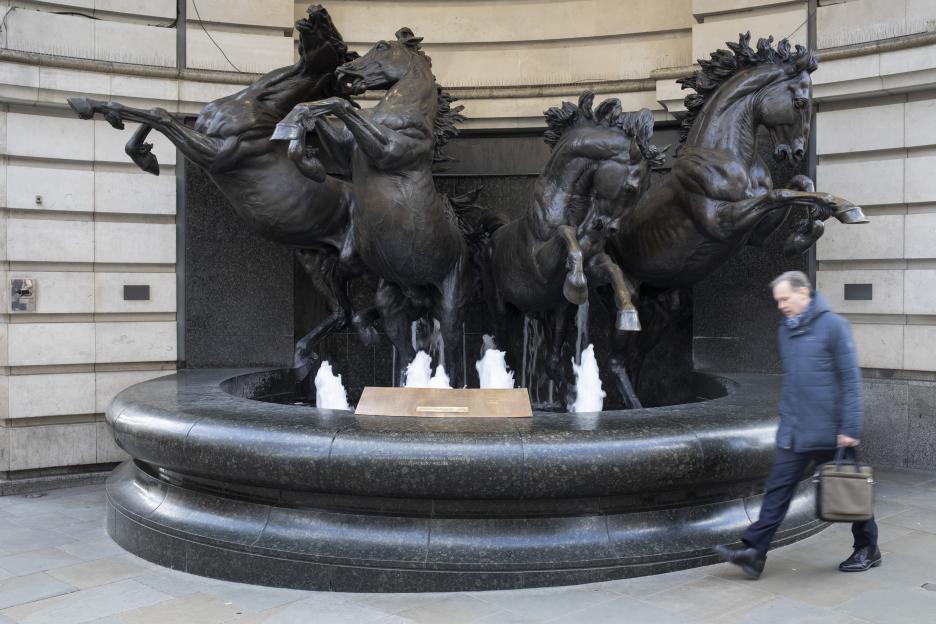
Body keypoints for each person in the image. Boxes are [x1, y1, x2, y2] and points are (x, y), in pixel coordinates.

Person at [713, 270, 879, 579]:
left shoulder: (834, 326)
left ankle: (868, 547)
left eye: (785, 299)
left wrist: (850, 428)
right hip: (795, 430)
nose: (781, 305)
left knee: (850, 492)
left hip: (831, 432)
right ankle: (754, 553)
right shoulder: (785, 330)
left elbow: (851, 381)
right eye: (778, 300)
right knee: (777, 492)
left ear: (804, 293)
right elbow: (793, 381)